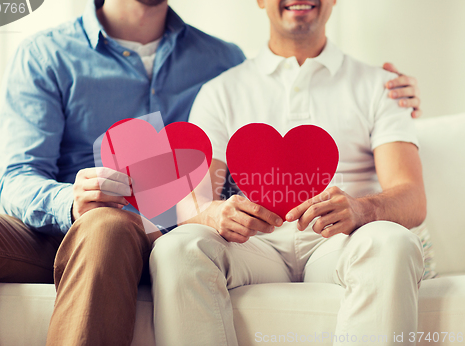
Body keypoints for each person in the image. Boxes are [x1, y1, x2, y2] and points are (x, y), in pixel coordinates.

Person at [0, 0, 421, 345]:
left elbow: (231, 159)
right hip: (63, 229)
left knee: (110, 225)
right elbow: (20, 175)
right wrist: (69, 200)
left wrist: (393, 93)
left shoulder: (220, 61)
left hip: (142, 229)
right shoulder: (47, 54)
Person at [149, 1, 426, 345]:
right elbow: (192, 205)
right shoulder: (220, 91)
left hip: (341, 243)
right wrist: (215, 213)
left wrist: (360, 209)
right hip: (255, 247)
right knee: (175, 247)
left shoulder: (383, 86)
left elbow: (412, 197)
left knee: (394, 241)